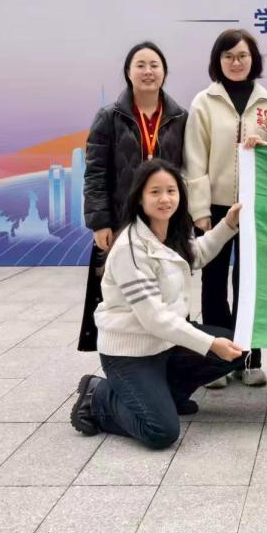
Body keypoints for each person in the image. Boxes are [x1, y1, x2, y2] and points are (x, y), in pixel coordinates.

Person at [70, 159, 246, 447]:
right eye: (155, 192)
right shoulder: (129, 247)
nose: (165, 199)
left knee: (237, 348)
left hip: (166, 345)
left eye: (171, 191)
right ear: (140, 198)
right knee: (160, 431)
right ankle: (99, 397)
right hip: (131, 353)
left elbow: (198, 254)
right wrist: (210, 343)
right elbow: (155, 319)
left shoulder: (172, 230)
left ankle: (169, 395)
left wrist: (228, 224)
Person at [184, 29, 267, 388]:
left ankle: (249, 359)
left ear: (253, 59)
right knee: (212, 283)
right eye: (228, 56)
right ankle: (216, 363)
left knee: (249, 282)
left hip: (256, 207)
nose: (236, 62)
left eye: (242, 55)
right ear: (218, 61)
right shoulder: (204, 102)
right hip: (214, 208)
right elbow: (194, 159)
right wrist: (199, 210)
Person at [79, 42, 188, 352]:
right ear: (128, 72)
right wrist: (100, 222)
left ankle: (168, 355)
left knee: (166, 290)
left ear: (164, 72)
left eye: (154, 65)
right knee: (120, 297)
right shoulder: (109, 117)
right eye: (140, 65)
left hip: (165, 221)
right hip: (121, 219)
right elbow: (95, 172)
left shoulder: (179, 117)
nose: (148, 71)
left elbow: (187, 171)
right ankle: (120, 359)